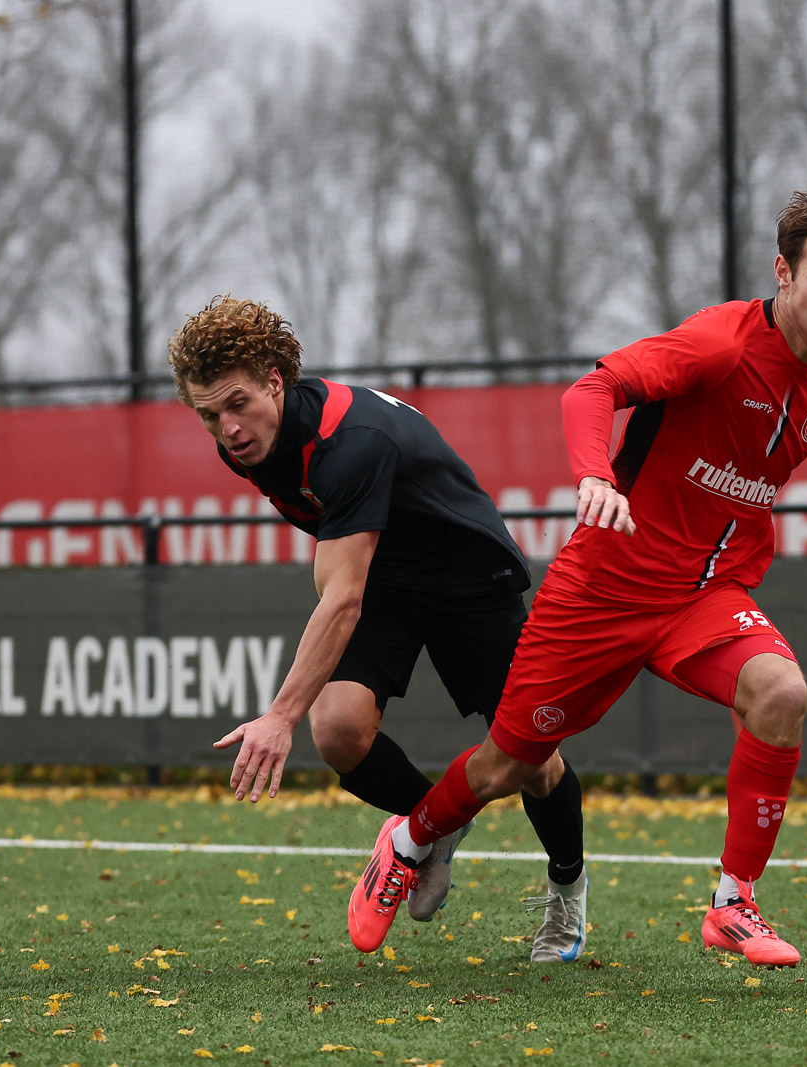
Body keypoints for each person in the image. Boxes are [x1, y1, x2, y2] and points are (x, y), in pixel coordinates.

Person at [354, 191, 807, 968]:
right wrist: (594, 475)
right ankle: (407, 838)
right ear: (783, 273)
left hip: (707, 595)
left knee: (782, 692)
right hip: (605, 586)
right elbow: (590, 390)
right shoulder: (718, 346)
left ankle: (734, 902)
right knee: (508, 764)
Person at [166, 297, 589, 962]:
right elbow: (338, 565)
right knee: (336, 729)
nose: (228, 427)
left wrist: (279, 713)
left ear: (275, 380)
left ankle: (567, 889)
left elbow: (341, 594)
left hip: (468, 580)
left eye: (238, 403)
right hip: (388, 579)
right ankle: (434, 830)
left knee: (530, 761)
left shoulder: (350, 442)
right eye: (209, 414)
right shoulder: (245, 445)